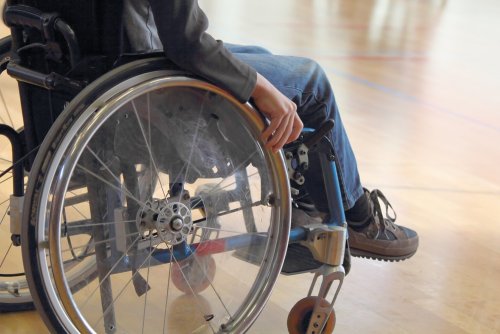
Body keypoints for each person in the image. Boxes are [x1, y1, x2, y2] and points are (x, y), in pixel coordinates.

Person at [122, 0, 418, 262]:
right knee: (311, 81)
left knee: (259, 54)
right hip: (151, 79)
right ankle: (358, 219)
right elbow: (188, 41)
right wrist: (258, 87)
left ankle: (301, 200)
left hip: (114, 62)